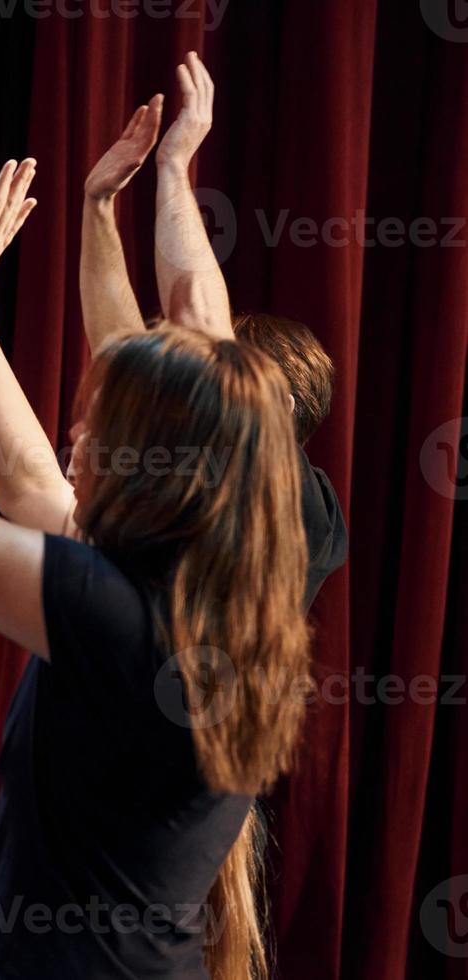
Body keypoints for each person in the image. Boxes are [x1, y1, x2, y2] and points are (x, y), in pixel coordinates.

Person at [0, 140, 312, 979]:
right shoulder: (212, 587)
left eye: (103, 427)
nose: (77, 438)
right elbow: (29, 487)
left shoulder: (117, 612)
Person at [79, 51, 347, 605]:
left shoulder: (307, 508)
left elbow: (200, 325)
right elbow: (122, 358)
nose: (196, 381)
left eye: (222, 371)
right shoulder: (187, 465)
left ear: (278, 403)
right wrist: (98, 205)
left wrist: (174, 166)